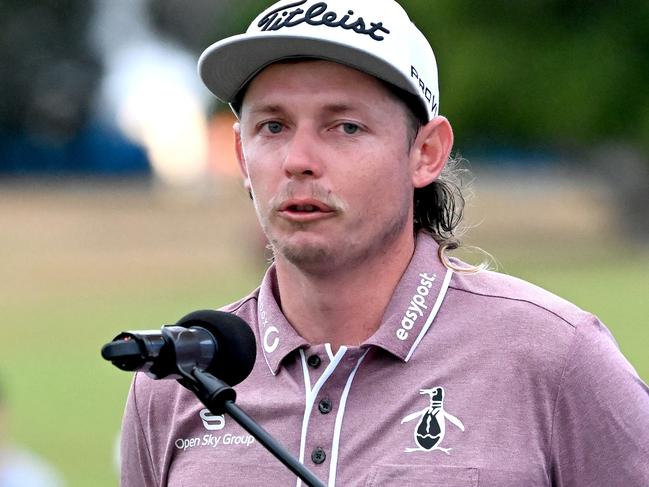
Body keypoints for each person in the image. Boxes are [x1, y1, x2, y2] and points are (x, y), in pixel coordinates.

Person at [119, 1, 649, 485]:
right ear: (241, 156)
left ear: (426, 153)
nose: (298, 159)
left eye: (345, 127)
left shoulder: (555, 356)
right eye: (273, 126)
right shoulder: (177, 381)